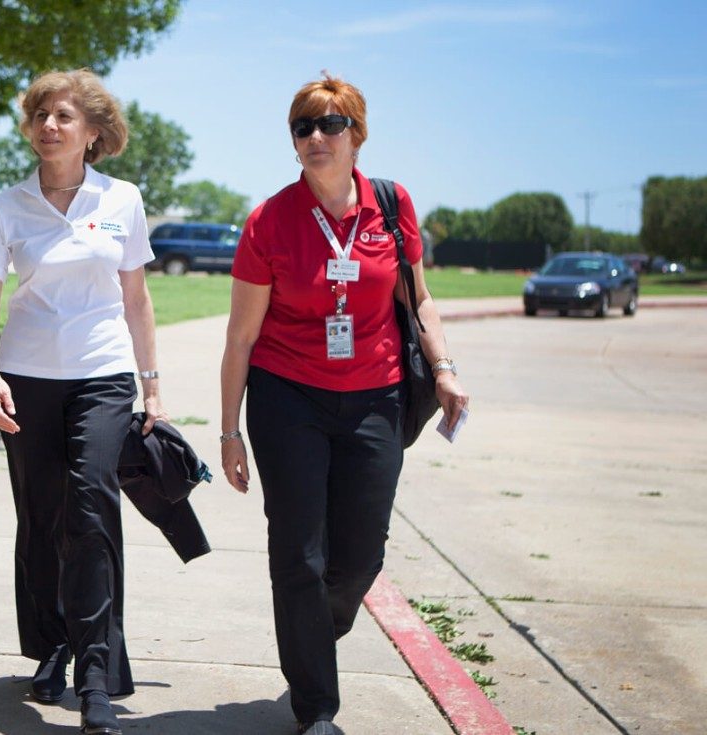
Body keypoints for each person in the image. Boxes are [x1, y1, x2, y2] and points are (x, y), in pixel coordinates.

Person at [219, 73, 469, 735]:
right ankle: (316, 709)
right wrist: (228, 430)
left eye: (330, 124)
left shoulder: (391, 204)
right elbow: (241, 335)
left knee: (358, 557)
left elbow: (419, 299)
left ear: (357, 133)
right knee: (298, 553)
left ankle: (313, 630)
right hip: (286, 396)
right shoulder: (269, 221)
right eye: (303, 126)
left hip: (375, 398)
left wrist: (441, 368)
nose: (316, 137)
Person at [0, 69, 167, 735]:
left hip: (104, 377)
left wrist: (152, 383)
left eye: (64, 116)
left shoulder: (123, 199)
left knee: (91, 513)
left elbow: (137, 300)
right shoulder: (7, 208)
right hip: (25, 380)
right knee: (43, 521)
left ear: (93, 133)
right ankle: (52, 644)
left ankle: (97, 676)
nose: (49, 125)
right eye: (40, 114)